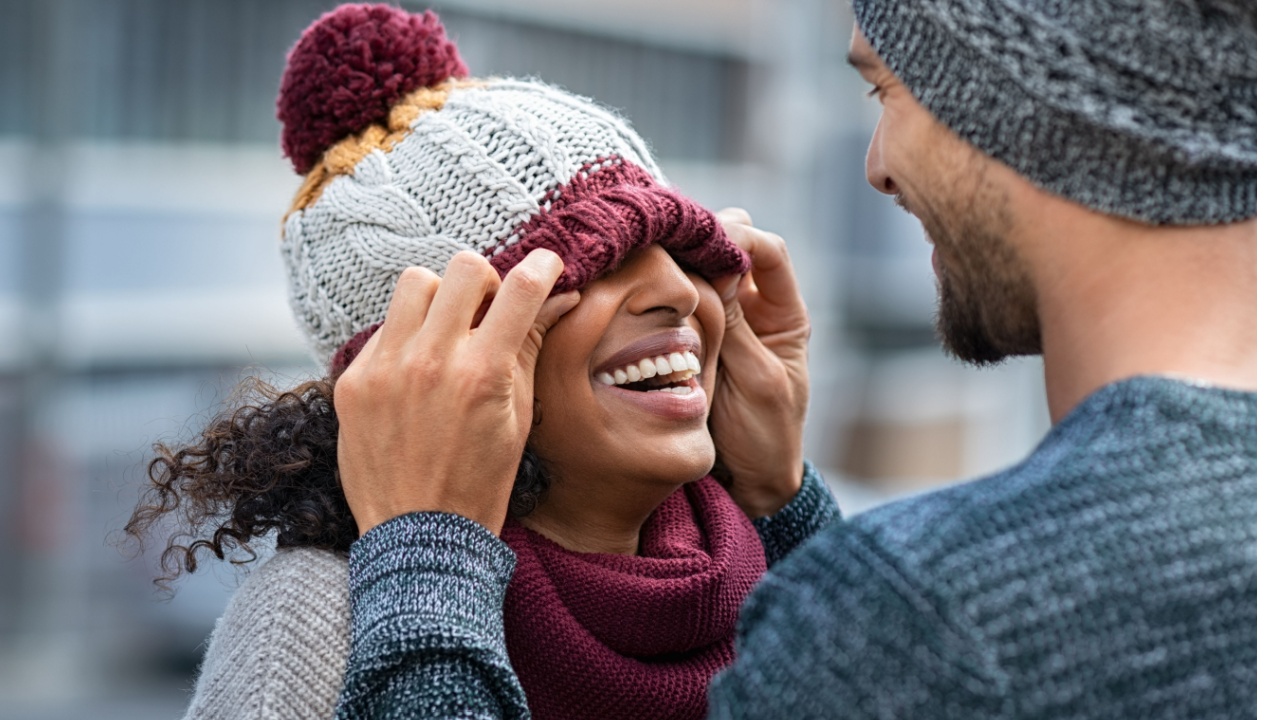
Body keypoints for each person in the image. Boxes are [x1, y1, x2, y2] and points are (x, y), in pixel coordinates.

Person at [330, 0, 1258, 718]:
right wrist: (785, 508)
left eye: (883, 90)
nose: (878, 165)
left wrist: (421, 571)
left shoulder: (929, 615)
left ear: (1021, 98)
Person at [123, 5, 840, 720]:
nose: (679, 291)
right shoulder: (317, 618)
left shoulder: (779, 563)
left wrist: (786, 503)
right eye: (593, 263)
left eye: (682, 249)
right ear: (427, 371)